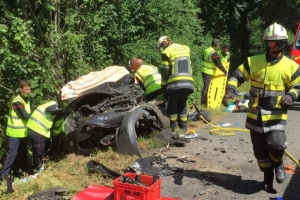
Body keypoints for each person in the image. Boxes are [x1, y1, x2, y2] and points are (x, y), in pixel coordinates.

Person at [222, 22, 300, 193]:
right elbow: (237, 75)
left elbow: (298, 86)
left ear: (283, 44)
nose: (273, 46)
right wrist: (230, 90)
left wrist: (290, 95)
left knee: (276, 145)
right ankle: (267, 177)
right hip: (255, 115)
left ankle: (278, 163)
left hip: (276, 115)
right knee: (260, 152)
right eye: (270, 42)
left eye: (277, 43)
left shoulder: (291, 66)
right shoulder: (254, 61)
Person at [157, 36, 194, 132]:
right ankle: (184, 128)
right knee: (182, 104)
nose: (162, 49)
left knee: (172, 105)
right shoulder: (185, 48)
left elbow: (165, 71)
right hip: (189, 82)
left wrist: (164, 87)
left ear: (165, 42)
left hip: (176, 82)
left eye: (162, 47)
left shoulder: (166, 52)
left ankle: (173, 128)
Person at [1, 80, 33, 180]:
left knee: (22, 154)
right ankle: (3, 175)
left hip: (24, 132)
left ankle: (17, 171)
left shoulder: (29, 99)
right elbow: (25, 116)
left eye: (29, 89)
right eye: (26, 89)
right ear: (21, 89)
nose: (28, 91)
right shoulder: (17, 101)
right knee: (11, 154)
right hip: (14, 132)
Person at [26, 100, 63, 171]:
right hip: (37, 130)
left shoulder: (48, 104)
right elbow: (52, 110)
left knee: (41, 149)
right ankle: (39, 168)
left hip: (35, 129)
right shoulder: (53, 105)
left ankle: (41, 166)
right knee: (39, 150)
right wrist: (61, 111)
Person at [200, 39, 229, 105]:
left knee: (206, 86)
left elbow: (203, 59)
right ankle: (203, 101)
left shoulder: (206, 50)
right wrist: (225, 71)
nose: (219, 46)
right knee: (207, 86)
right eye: (218, 45)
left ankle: (205, 100)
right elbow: (218, 64)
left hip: (204, 70)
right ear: (216, 45)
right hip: (209, 71)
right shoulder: (214, 53)